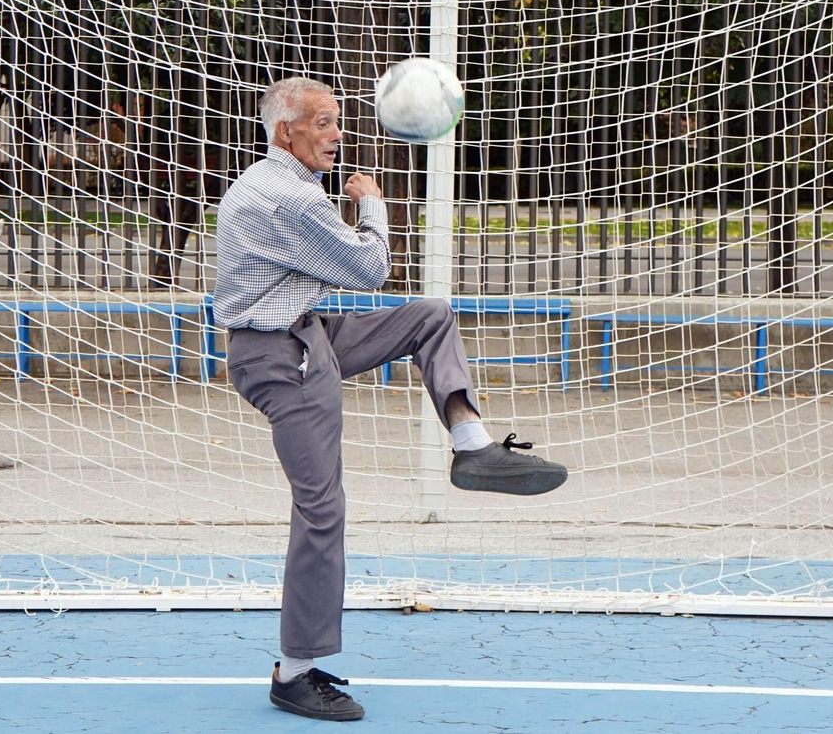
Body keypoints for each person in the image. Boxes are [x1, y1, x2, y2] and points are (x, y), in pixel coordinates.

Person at [212, 76, 568, 722]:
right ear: (285, 131)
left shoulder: (276, 184)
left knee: (428, 316)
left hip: (302, 336)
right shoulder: (290, 199)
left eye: (337, 120)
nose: (336, 134)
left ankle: (472, 446)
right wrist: (372, 204)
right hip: (282, 359)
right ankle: (295, 673)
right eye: (322, 123)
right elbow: (370, 268)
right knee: (321, 509)